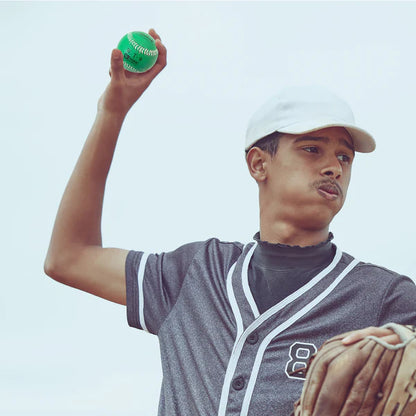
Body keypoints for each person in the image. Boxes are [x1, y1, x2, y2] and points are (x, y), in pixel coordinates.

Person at [44, 29, 416, 416]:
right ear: (259, 163)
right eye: (312, 149)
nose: (333, 167)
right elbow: (69, 257)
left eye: (344, 157)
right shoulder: (195, 273)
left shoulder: (385, 296)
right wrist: (112, 112)